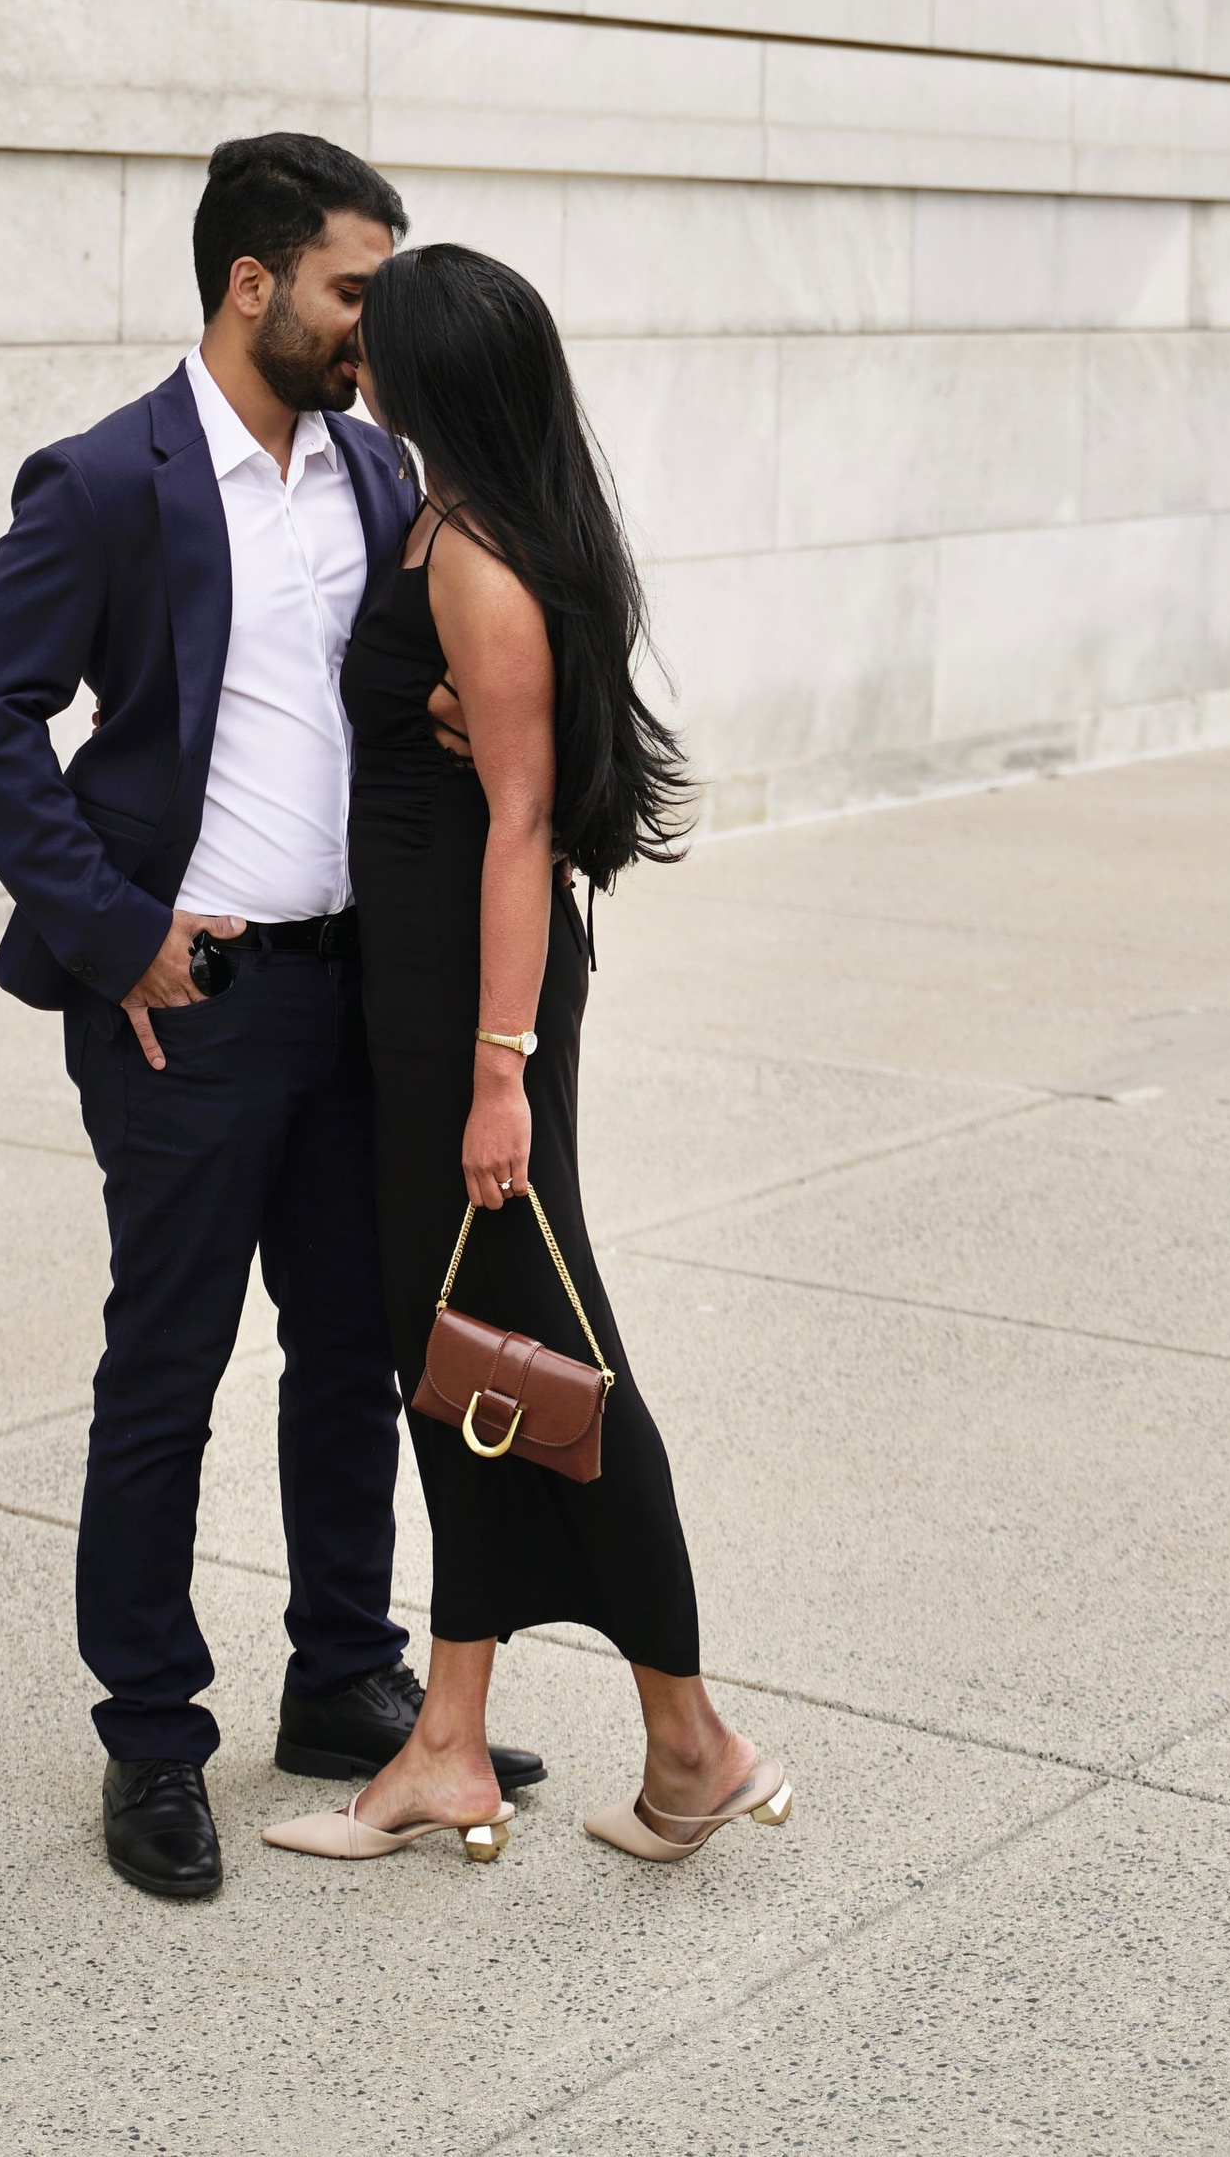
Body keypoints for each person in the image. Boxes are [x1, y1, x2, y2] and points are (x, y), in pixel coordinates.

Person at [0, 136, 547, 1900]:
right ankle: (150, 1734)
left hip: (359, 997)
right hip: (187, 1010)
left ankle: (343, 1673)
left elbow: (370, 694)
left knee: (353, 1354)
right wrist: (119, 935)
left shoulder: (376, 468)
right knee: (168, 1371)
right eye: (355, 286)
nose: (379, 321)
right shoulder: (110, 481)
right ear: (252, 283)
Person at [263, 242, 791, 1871]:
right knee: (472, 1358)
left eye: (381, 324)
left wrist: (498, 1071)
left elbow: (515, 824)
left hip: (465, 1011)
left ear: (431, 369)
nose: (357, 341)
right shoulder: (441, 512)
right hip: (427, 997)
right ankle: (448, 1742)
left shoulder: (476, 554)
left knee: (559, 1362)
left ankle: (694, 1738)